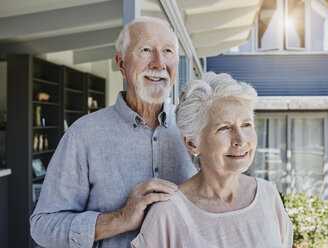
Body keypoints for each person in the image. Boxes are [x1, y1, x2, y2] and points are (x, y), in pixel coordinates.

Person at [30, 16, 196, 248]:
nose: (159, 63)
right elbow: (43, 227)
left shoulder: (195, 129)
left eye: (168, 51)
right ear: (121, 64)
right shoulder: (83, 135)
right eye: (146, 50)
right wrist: (121, 219)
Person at [131, 72, 293, 248]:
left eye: (246, 125)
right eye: (224, 128)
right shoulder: (167, 214)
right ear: (192, 143)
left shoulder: (268, 196)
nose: (241, 140)